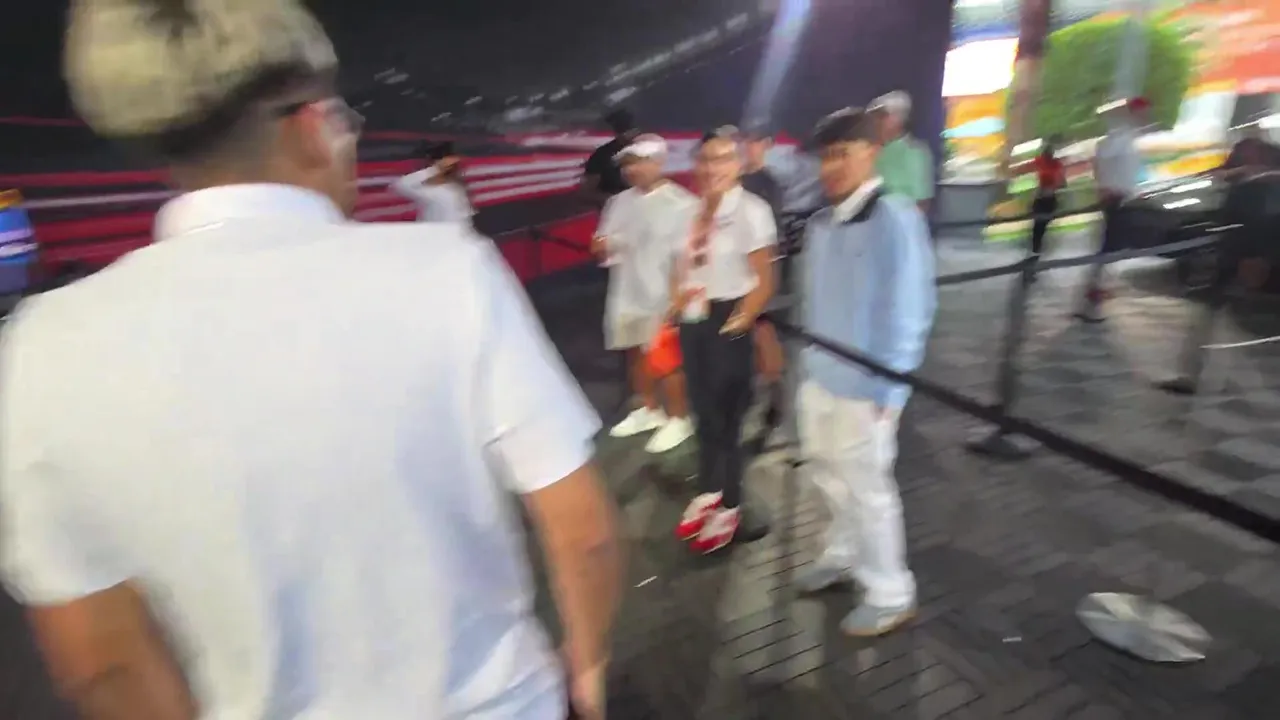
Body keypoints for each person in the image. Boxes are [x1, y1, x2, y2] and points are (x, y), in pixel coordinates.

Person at [0, 2, 622, 719]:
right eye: (344, 119)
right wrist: (587, 666)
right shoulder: (448, 270)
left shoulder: (45, 345)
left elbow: (100, 664)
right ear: (309, 128)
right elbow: (585, 532)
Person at [792, 108, 936, 637]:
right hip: (820, 376)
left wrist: (891, 390)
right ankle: (844, 551)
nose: (831, 166)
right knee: (825, 472)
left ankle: (890, 591)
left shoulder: (895, 218)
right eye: (826, 156)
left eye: (842, 154)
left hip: (866, 387)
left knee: (868, 487)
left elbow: (910, 309)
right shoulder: (821, 224)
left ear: (871, 152)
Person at [670, 126, 777, 554]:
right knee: (703, 412)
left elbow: (765, 278)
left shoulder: (751, 210)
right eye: (705, 159)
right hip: (694, 317)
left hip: (728, 317)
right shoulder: (691, 210)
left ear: (738, 164)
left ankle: (731, 504)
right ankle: (709, 489)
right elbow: (682, 264)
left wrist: (741, 320)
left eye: (722, 159)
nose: (712, 168)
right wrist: (677, 298)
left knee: (729, 419)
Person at [592, 133, 696, 454]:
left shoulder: (682, 203)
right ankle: (648, 410)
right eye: (627, 164)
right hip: (626, 290)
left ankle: (679, 418)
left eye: (638, 162)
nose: (631, 170)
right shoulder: (618, 202)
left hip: (662, 295)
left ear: (658, 162)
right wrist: (601, 246)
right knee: (634, 353)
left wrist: (679, 299)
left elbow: (687, 257)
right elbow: (603, 242)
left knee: (666, 361)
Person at [1077, 96, 1148, 323]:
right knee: (1108, 249)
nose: (1145, 117)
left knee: (1110, 249)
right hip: (1116, 199)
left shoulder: (1129, 138)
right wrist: (1104, 187)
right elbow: (1100, 158)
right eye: (1142, 112)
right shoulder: (1121, 137)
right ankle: (1092, 299)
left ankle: (1095, 296)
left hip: (1122, 199)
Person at [870, 91, 935, 214]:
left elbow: (922, 203)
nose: (876, 122)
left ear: (898, 119)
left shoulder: (915, 152)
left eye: (881, 117)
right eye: (875, 117)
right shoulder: (869, 150)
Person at [390, 140, 475, 225]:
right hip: (433, 232)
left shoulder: (457, 189)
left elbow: (466, 218)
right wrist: (436, 169)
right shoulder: (428, 191)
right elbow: (399, 185)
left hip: (455, 232)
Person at [580, 108, 638, 209]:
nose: (627, 135)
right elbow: (586, 193)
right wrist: (614, 199)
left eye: (631, 130)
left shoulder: (650, 150)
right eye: (622, 131)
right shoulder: (602, 155)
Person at [1029, 136, 1066, 260]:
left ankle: (1036, 248)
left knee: (1039, 225)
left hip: (1045, 198)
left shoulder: (1050, 164)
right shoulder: (1049, 164)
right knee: (1039, 226)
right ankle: (1037, 248)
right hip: (1044, 198)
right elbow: (1061, 181)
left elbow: (1061, 181)